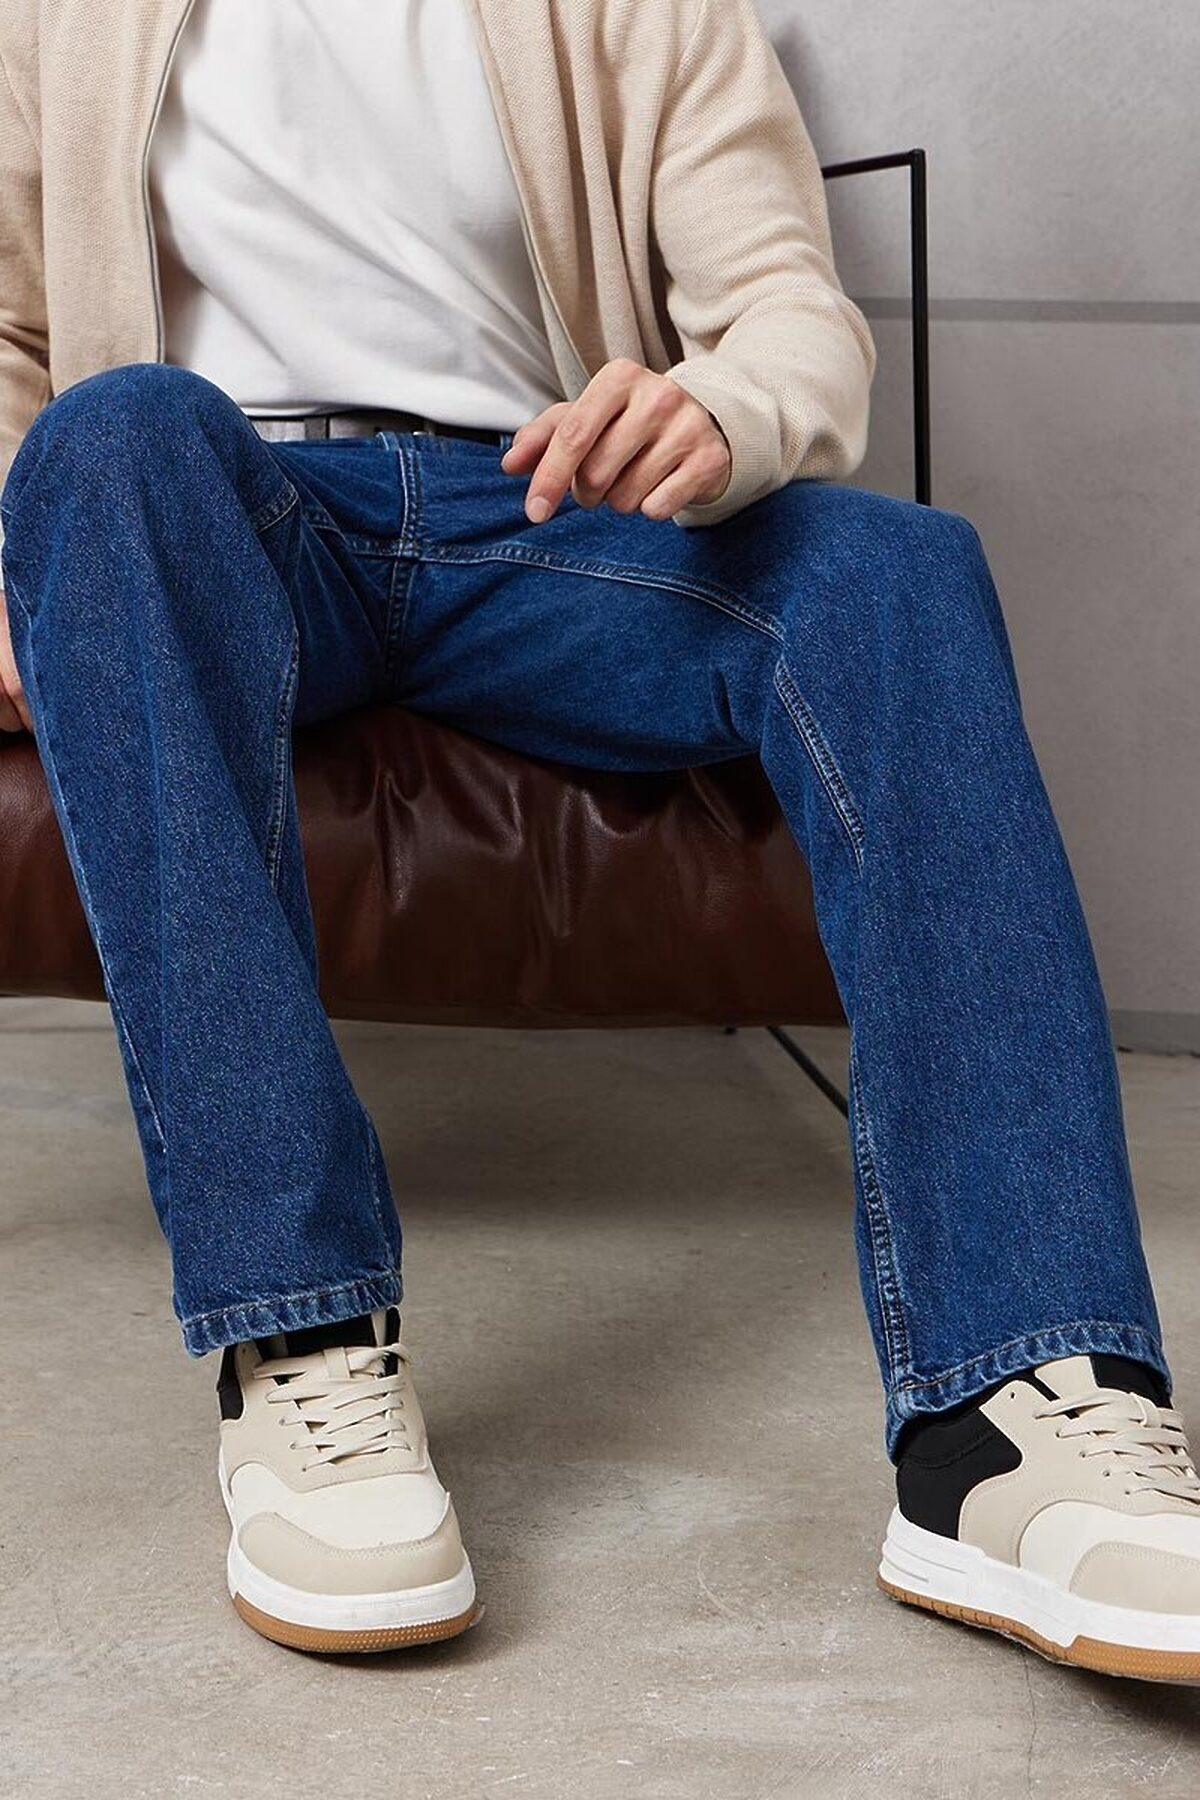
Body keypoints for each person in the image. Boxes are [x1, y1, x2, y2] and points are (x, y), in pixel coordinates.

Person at [2, 0, 1198, 1677]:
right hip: (227, 519)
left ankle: (1011, 1409)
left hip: (544, 508)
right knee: (110, 429)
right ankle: (302, 1338)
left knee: (894, 572)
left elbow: (787, 307)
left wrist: (724, 409)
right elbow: (14, 333)